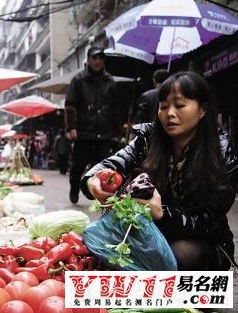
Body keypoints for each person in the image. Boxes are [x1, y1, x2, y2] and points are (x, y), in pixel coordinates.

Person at [83, 71, 237, 270]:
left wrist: (162, 213)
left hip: (202, 243)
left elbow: (208, 223)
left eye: (179, 105)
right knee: (99, 246)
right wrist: (92, 181)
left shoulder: (222, 153)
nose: (169, 113)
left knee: (180, 254)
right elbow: (112, 163)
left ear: (203, 110)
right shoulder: (147, 139)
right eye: (163, 106)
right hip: (150, 233)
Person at [65, 46, 120, 204]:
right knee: (77, 167)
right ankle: (74, 189)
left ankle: (102, 196)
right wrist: (71, 127)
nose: (97, 61)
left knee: (104, 169)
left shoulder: (110, 81)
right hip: (83, 132)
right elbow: (70, 105)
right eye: (94, 58)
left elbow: (116, 107)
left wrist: (117, 131)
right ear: (88, 60)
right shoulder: (78, 80)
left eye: (100, 58)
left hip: (104, 133)